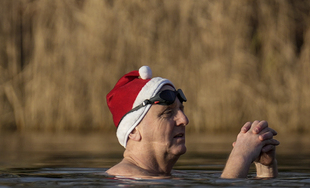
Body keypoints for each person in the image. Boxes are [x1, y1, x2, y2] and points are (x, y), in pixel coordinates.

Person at [104, 66, 279, 179]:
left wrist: (265, 168)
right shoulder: (126, 181)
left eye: (182, 110)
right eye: (167, 113)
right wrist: (241, 156)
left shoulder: (167, 178)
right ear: (133, 130)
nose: (184, 120)